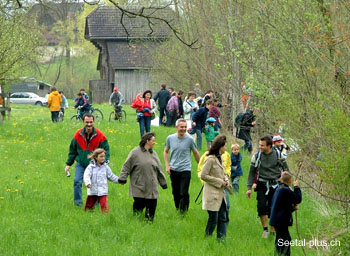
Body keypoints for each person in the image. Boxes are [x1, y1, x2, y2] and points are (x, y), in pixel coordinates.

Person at [246, 136, 289, 238]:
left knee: (273, 208)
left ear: (269, 146)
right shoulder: (257, 156)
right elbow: (251, 173)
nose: (260, 147)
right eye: (259, 145)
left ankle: (273, 230)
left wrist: (287, 185)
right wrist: (248, 188)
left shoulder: (278, 155)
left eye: (262, 145)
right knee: (261, 207)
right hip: (262, 184)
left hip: (275, 185)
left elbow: (286, 170)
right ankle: (265, 230)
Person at [119, 133, 167, 221]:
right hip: (139, 186)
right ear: (147, 141)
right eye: (153, 140)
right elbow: (126, 166)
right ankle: (135, 223)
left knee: (152, 206)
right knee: (138, 207)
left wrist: (163, 182)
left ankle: (149, 225)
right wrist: (122, 178)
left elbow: (159, 169)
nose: (154, 142)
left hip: (152, 187)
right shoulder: (135, 153)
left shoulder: (154, 154)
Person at [65, 113, 110, 207]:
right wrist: (69, 164)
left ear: (93, 122)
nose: (89, 124)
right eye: (87, 122)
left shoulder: (100, 135)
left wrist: (105, 162)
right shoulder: (78, 135)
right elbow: (72, 150)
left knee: (96, 183)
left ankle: (96, 204)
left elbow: (106, 149)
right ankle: (78, 204)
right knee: (77, 181)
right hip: (81, 163)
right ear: (83, 122)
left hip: (95, 165)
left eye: (91, 122)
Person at [164, 119, 200, 214]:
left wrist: (201, 166)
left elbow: (195, 152)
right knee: (175, 192)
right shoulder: (170, 138)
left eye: (185, 127)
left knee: (183, 192)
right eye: (181, 127)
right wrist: (167, 166)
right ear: (176, 127)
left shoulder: (190, 139)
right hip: (174, 169)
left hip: (185, 169)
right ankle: (177, 207)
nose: (184, 129)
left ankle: (183, 212)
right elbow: (165, 151)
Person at [200, 136, 230, 240]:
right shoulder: (210, 159)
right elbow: (203, 175)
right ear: (220, 146)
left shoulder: (220, 158)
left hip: (221, 194)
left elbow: (221, 173)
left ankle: (221, 241)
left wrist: (226, 179)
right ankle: (207, 239)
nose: (226, 148)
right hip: (212, 194)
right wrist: (219, 182)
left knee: (223, 217)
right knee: (213, 218)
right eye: (225, 146)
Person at [270, 172, 302, 256]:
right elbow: (297, 198)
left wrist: (292, 208)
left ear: (281, 179)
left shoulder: (279, 188)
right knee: (284, 240)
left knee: (283, 239)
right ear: (290, 180)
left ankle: (279, 253)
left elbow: (282, 206)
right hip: (280, 221)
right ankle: (282, 254)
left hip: (277, 219)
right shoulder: (285, 190)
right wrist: (296, 187)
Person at [83, 148, 119, 214]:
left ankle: (105, 216)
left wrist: (119, 180)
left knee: (104, 204)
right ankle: (87, 215)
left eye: (104, 156)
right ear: (96, 157)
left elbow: (111, 176)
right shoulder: (91, 167)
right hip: (93, 189)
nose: (103, 158)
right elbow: (86, 175)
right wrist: (88, 183)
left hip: (103, 190)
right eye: (101, 156)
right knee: (89, 204)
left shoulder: (106, 167)